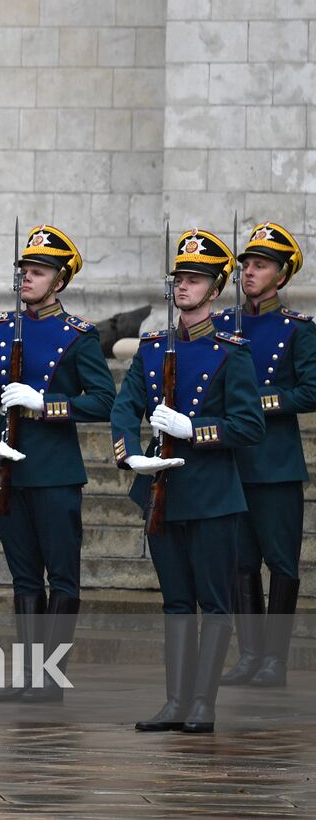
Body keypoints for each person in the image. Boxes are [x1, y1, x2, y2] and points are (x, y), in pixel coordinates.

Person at [114, 228, 263, 733]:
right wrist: (131, 455)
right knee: (175, 599)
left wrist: (193, 429)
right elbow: (124, 405)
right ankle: (175, 702)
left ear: (216, 290)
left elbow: (250, 424)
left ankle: (204, 704)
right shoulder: (154, 347)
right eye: (180, 277)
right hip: (163, 490)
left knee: (214, 601)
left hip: (212, 494)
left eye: (196, 279)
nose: (184, 286)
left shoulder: (231, 351)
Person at [0, 224, 116, 703]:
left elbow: (104, 399)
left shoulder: (78, 337)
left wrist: (47, 403)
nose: (27, 277)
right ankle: (29, 675)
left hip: (54, 472)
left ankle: (51, 676)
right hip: (8, 468)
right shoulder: (4, 329)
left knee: (62, 575)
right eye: (25, 269)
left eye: (39, 270)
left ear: (60, 281)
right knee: (24, 576)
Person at [212, 222, 312, 689]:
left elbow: (311, 389)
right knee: (239, 562)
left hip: (274, 462)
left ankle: (275, 658)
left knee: (281, 562)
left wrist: (258, 400)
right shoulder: (223, 325)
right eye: (246, 264)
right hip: (233, 461)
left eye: (261, 265)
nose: (249, 272)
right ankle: (249, 655)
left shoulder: (298, 329)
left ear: (282, 275)